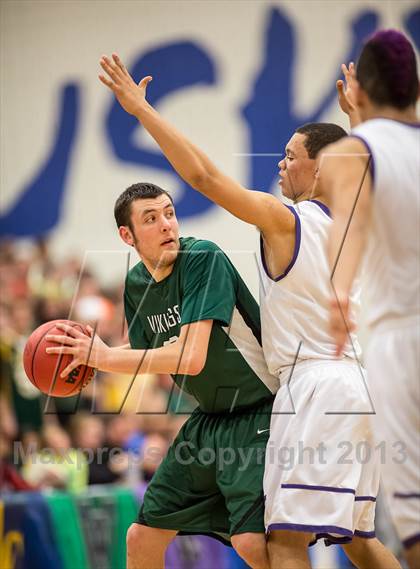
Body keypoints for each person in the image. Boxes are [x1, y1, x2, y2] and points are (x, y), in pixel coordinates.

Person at [96, 53, 404, 569]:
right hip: (352, 385)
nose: (280, 165)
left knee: (280, 543)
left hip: (315, 387)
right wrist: (359, 119)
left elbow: (203, 176)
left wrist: (142, 112)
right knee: (359, 541)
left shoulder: (287, 219)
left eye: (290, 156)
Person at [46, 180, 279, 569]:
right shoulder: (136, 284)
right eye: (151, 219)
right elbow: (149, 355)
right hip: (208, 420)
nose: (167, 224)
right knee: (141, 537)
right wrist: (86, 358)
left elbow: (189, 358)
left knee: (251, 543)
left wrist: (102, 357)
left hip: (258, 410)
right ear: (127, 234)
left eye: (169, 213)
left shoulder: (203, 258)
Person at [319, 29, 419, 569]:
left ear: (362, 88)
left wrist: (338, 292)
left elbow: (352, 225)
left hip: (399, 346)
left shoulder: (349, 153)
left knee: (415, 527)